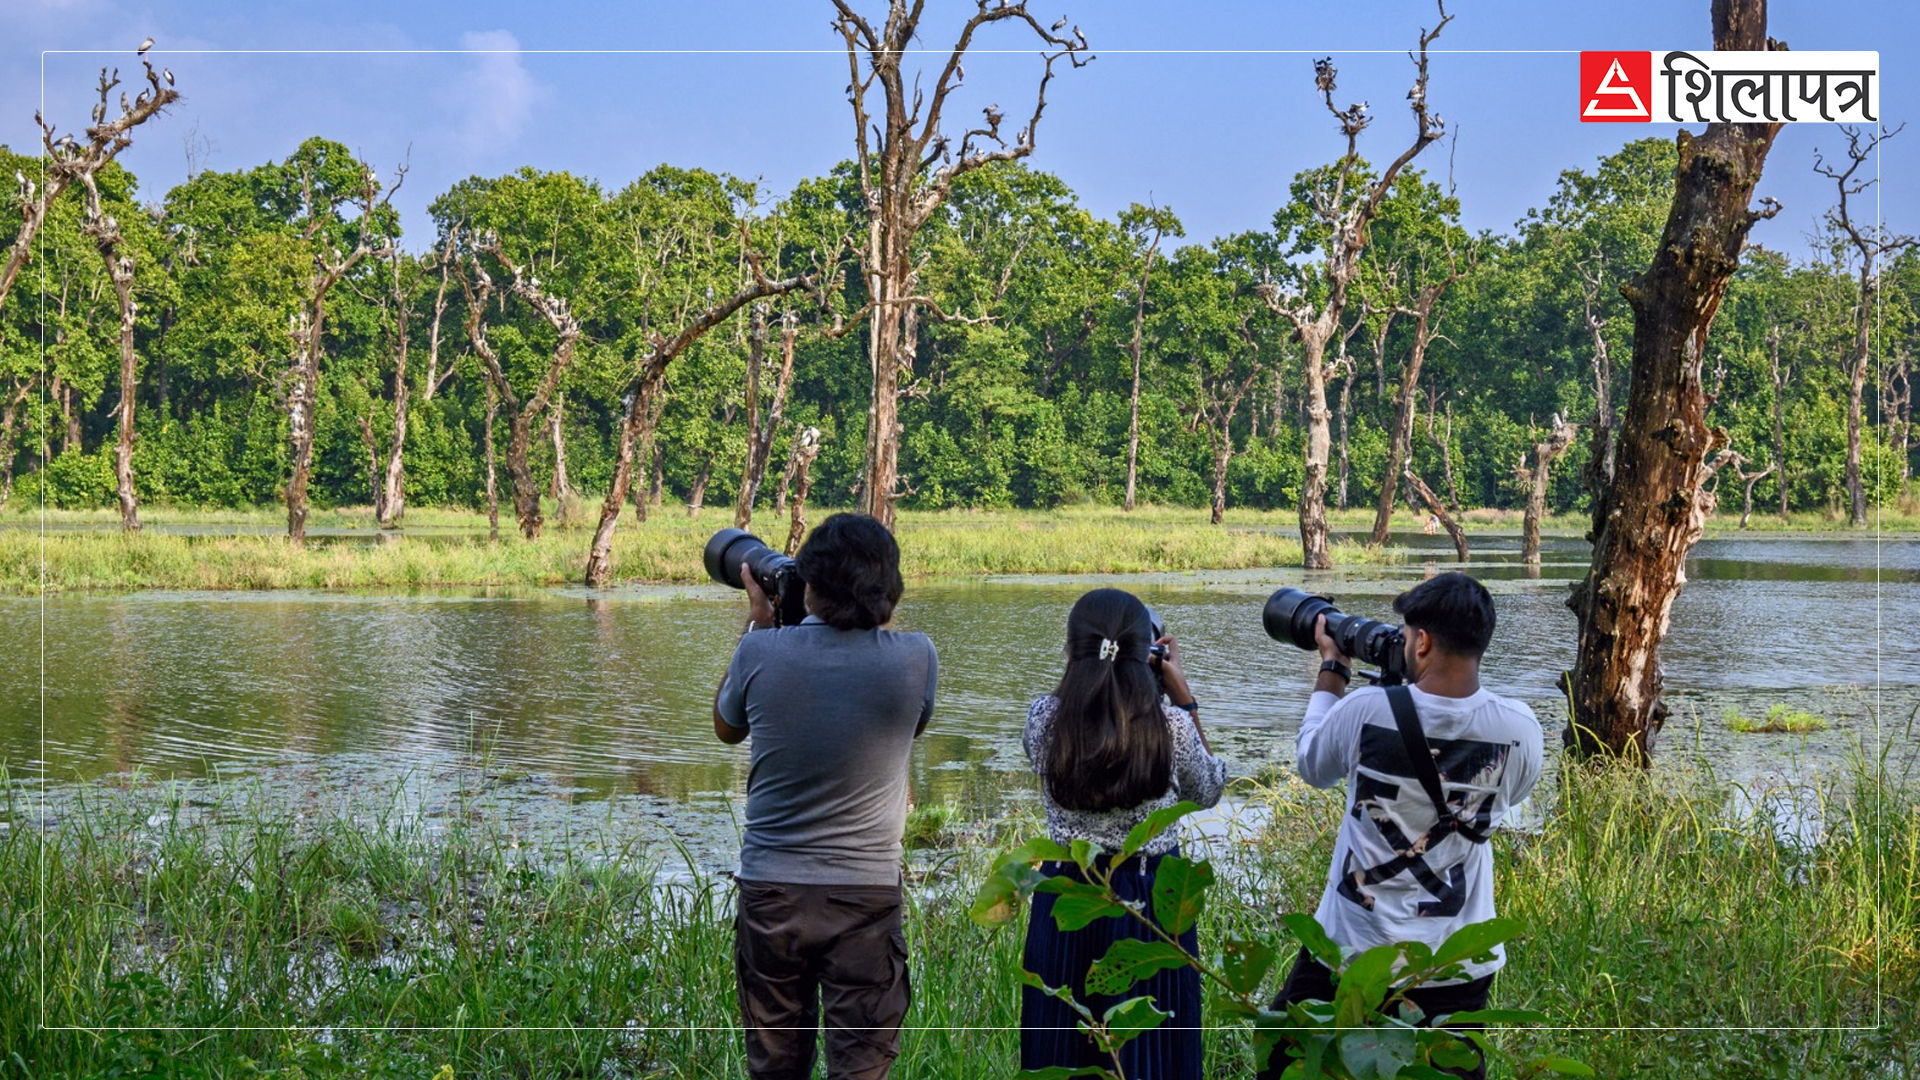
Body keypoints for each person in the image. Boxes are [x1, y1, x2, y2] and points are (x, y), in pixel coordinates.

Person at [1262, 571, 1542, 1080]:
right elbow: (1509, 797)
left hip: (1353, 951)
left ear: (1424, 641)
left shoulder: (1367, 709)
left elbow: (1311, 764)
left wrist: (1331, 668)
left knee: (1285, 1061)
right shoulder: (1520, 727)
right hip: (1455, 962)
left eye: (1408, 633)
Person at [712, 513, 938, 1080]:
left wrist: (760, 624)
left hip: (771, 894)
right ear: (888, 589)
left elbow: (725, 726)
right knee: (861, 1067)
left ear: (807, 584)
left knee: (775, 1066)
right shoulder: (917, 658)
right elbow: (908, 727)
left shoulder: (760, 652)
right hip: (865, 894)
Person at [1020, 587, 1228, 1078]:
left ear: (1072, 650)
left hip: (1068, 893)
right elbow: (1211, 789)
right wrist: (1184, 697)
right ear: (1149, 655)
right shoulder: (1170, 728)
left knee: (1062, 1040)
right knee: (1153, 1048)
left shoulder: (1043, 720)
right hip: (1150, 898)